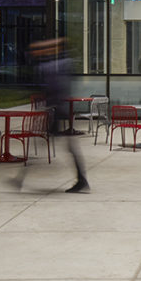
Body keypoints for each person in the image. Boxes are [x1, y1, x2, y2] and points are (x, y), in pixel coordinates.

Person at [15, 37, 88, 193]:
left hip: (57, 110)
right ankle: (81, 179)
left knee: (51, 145)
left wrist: (46, 46)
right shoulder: (56, 65)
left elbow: (54, 83)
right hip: (57, 110)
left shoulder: (61, 64)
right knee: (54, 145)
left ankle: (82, 179)